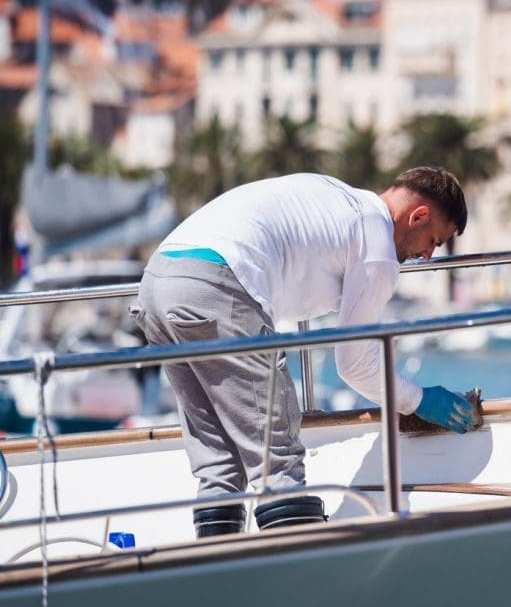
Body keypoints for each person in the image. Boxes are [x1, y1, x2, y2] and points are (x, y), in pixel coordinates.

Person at [129, 167, 477, 537]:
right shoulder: (377, 247)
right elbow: (354, 363)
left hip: (158, 280)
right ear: (418, 216)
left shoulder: (339, 198)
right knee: (276, 458)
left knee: (219, 461)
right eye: (433, 241)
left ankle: (216, 561)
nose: (427, 255)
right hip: (217, 283)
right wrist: (419, 400)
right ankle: (298, 559)